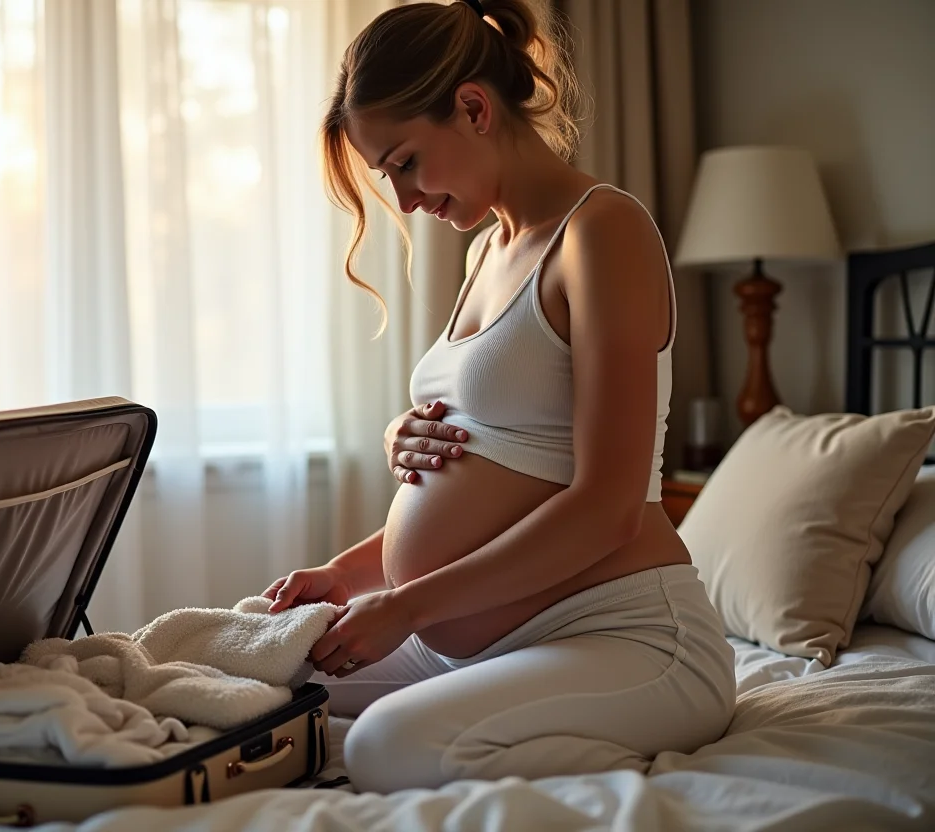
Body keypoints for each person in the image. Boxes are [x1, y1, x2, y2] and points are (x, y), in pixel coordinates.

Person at [261, 0, 736, 795]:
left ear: (475, 108)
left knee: (383, 747)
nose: (405, 200)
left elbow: (607, 507)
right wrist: (348, 577)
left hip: (630, 639)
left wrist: (406, 605)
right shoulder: (488, 250)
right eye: (389, 175)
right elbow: (507, 467)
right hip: (480, 644)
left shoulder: (602, 232)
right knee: (257, 672)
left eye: (406, 161)